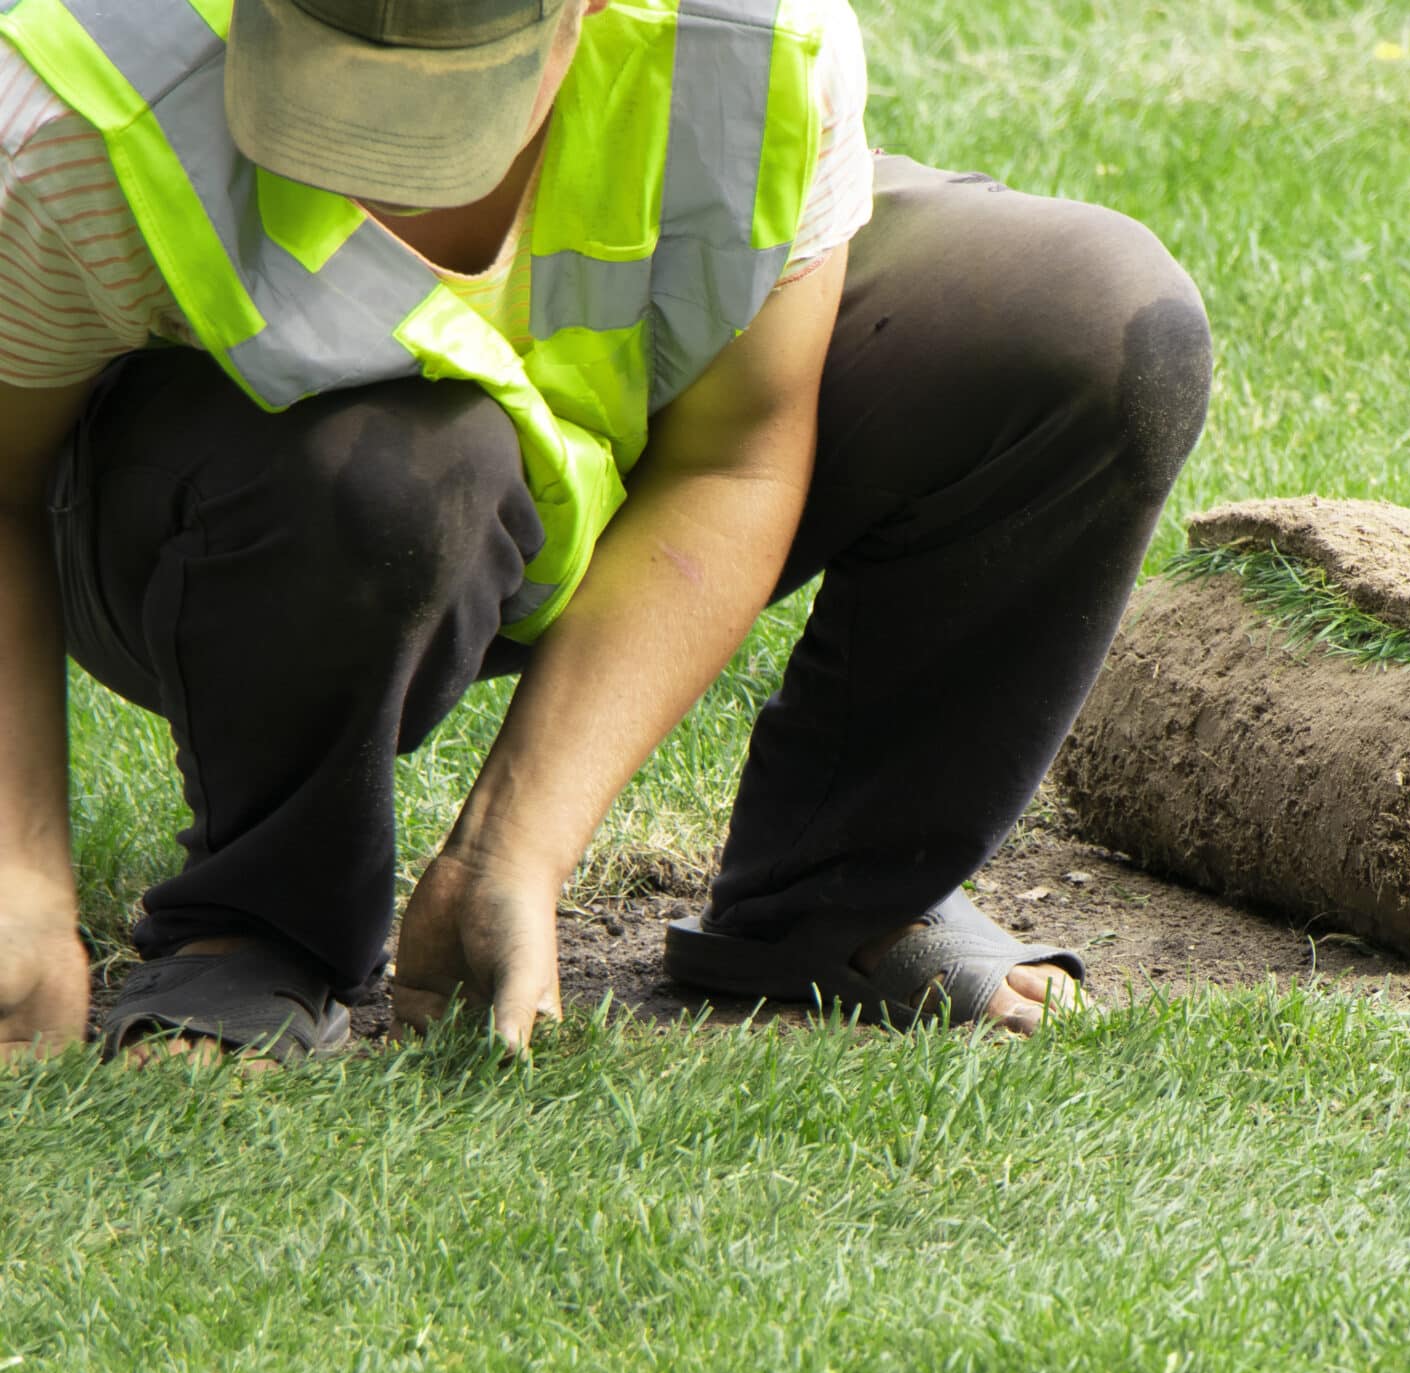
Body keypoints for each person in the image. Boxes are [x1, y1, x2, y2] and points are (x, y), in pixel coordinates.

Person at [0, 0, 1211, 1063]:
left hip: (610, 464)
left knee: (1085, 314)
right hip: (232, 526)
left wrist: (513, 850)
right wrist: (17, 879)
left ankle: (845, 900)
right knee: (405, 468)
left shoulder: (755, 43)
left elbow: (738, 450)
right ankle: (252, 927)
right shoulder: (83, 103)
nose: (385, 160)